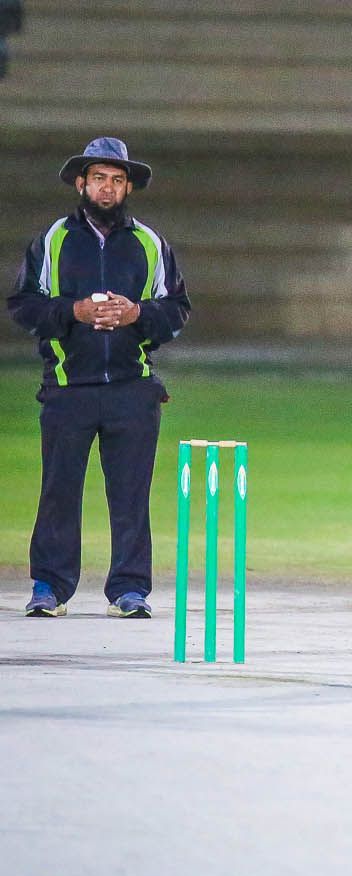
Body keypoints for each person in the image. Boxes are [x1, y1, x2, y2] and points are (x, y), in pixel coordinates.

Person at [7, 136, 191, 619]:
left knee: (130, 494)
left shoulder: (150, 244)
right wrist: (75, 311)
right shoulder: (53, 240)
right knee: (59, 491)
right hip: (68, 388)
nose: (106, 188)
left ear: (128, 187)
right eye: (98, 179)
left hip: (133, 389)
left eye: (116, 180)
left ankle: (129, 590)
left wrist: (136, 314)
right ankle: (50, 587)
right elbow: (23, 306)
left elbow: (177, 310)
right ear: (81, 184)